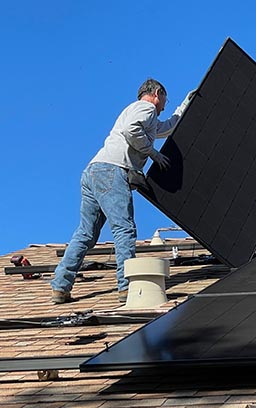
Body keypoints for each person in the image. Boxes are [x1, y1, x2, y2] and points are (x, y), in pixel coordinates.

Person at [50, 78, 194, 304]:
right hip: (112, 171)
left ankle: (60, 286)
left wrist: (185, 105)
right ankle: (126, 288)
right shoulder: (146, 108)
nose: (165, 104)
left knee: (85, 234)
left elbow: (166, 129)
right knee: (124, 229)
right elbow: (131, 130)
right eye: (165, 99)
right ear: (157, 93)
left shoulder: (140, 112)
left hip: (93, 171)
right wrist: (153, 154)